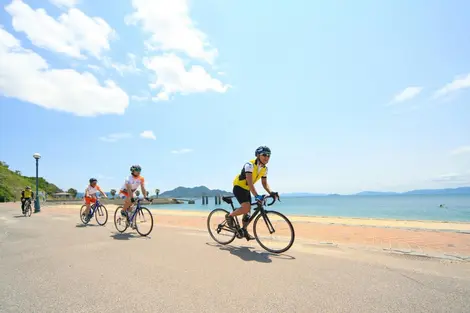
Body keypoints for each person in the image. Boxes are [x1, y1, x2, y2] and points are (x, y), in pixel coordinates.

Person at [227, 146, 278, 239]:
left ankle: (244, 230)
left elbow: (264, 183)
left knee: (248, 212)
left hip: (247, 189)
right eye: (264, 155)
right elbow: (250, 183)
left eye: (269, 155)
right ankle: (230, 216)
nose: (267, 157)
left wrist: (271, 193)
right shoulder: (249, 165)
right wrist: (257, 196)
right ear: (258, 155)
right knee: (246, 208)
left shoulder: (264, 169)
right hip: (239, 187)